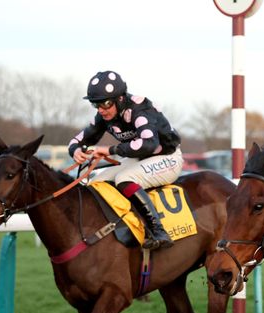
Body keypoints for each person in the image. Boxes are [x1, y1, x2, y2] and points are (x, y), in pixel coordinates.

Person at [68, 70, 183, 249]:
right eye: (95, 104)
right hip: (141, 158)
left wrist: (110, 150)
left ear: (120, 99)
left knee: (124, 179)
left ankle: (158, 232)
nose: (101, 110)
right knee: (96, 183)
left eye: (105, 103)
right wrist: (75, 150)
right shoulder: (104, 115)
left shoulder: (140, 109)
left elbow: (149, 144)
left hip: (168, 158)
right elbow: (78, 140)